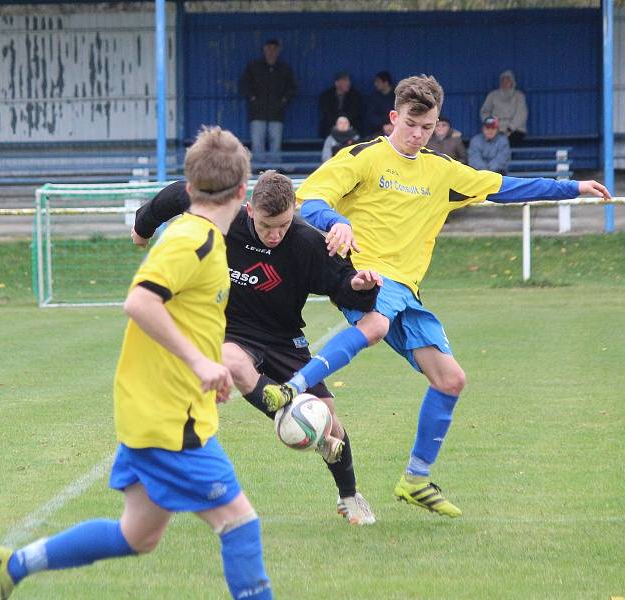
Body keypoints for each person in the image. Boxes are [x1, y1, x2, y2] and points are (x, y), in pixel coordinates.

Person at [262, 74, 610, 519]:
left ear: (437, 125)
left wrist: (573, 187)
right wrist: (336, 221)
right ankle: (290, 388)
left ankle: (415, 479)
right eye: (410, 123)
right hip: (360, 276)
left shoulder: (442, 171)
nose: (417, 134)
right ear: (394, 117)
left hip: (406, 290)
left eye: (427, 128)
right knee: (376, 323)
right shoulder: (363, 158)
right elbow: (307, 197)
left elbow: (503, 187)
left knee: (451, 380)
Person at [0, 127, 273, 600]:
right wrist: (200, 364)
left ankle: (10, 566)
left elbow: (182, 318)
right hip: (169, 418)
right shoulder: (193, 240)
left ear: (190, 186)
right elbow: (140, 302)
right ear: (244, 192)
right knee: (240, 522)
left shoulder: (201, 239)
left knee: (139, 535)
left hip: (151, 409)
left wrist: (209, 359)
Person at [132, 170, 382, 526]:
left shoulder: (308, 242)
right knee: (230, 360)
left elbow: (343, 284)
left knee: (329, 423)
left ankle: (350, 496)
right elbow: (177, 195)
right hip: (233, 330)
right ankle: (282, 410)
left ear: (292, 213)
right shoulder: (225, 216)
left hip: (285, 338)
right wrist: (143, 226)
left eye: (282, 225)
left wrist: (361, 285)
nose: (275, 234)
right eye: (267, 225)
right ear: (249, 210)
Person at [240, 39, 297, 163]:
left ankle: (274, 169)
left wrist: (283, 100)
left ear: (278, 51)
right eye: (268, 49)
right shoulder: (254, 66)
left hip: (276, 112)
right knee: (257, 141)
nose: (271, 52)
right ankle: (259, 169)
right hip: (257, 112)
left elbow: (292, 87)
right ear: (264, 50)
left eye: (274, 49)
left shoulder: (284, 68)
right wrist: (253, 98)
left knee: (275, 141)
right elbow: (245, 84)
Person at [480, 70, 528, 146]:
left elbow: (521, 115)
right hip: (495, 128)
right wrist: (491, 124)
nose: (505, 83)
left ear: (512, 82)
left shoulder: (519, 96)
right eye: (503, 81)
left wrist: (510, 129)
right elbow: (485, 112)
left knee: (507, 142)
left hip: (515, 130)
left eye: (507, 81)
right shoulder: (492, 95)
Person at [318, 71, 362, 139]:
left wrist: (344, 124)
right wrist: (338, 124)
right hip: (331, 126)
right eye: (345, 80)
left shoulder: (355, 95)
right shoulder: (326, 96)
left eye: (348, 80)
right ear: (337, 83)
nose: (348, 83)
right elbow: (326, 113)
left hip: (350, 126)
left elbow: (355, 112)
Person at [363, 70, 395, 138]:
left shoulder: (397, 96)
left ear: (386, 83)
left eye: (378, 81)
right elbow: (371, 115)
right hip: (378, 131)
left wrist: (394, 126)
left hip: (396, 130)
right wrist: (383, 126)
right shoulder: (373, 98)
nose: (375, 84)